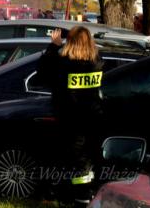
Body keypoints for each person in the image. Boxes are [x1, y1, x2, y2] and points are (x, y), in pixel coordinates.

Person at [36, 27, 103, 204]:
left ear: (70, 42)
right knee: (85, 161)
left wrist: (54, 46)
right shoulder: (97, 62)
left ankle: (76, 196)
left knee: (68, 160)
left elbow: (42, 73)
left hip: (69, 120)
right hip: (92, 119)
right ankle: (82, 195)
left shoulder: (63, 64)